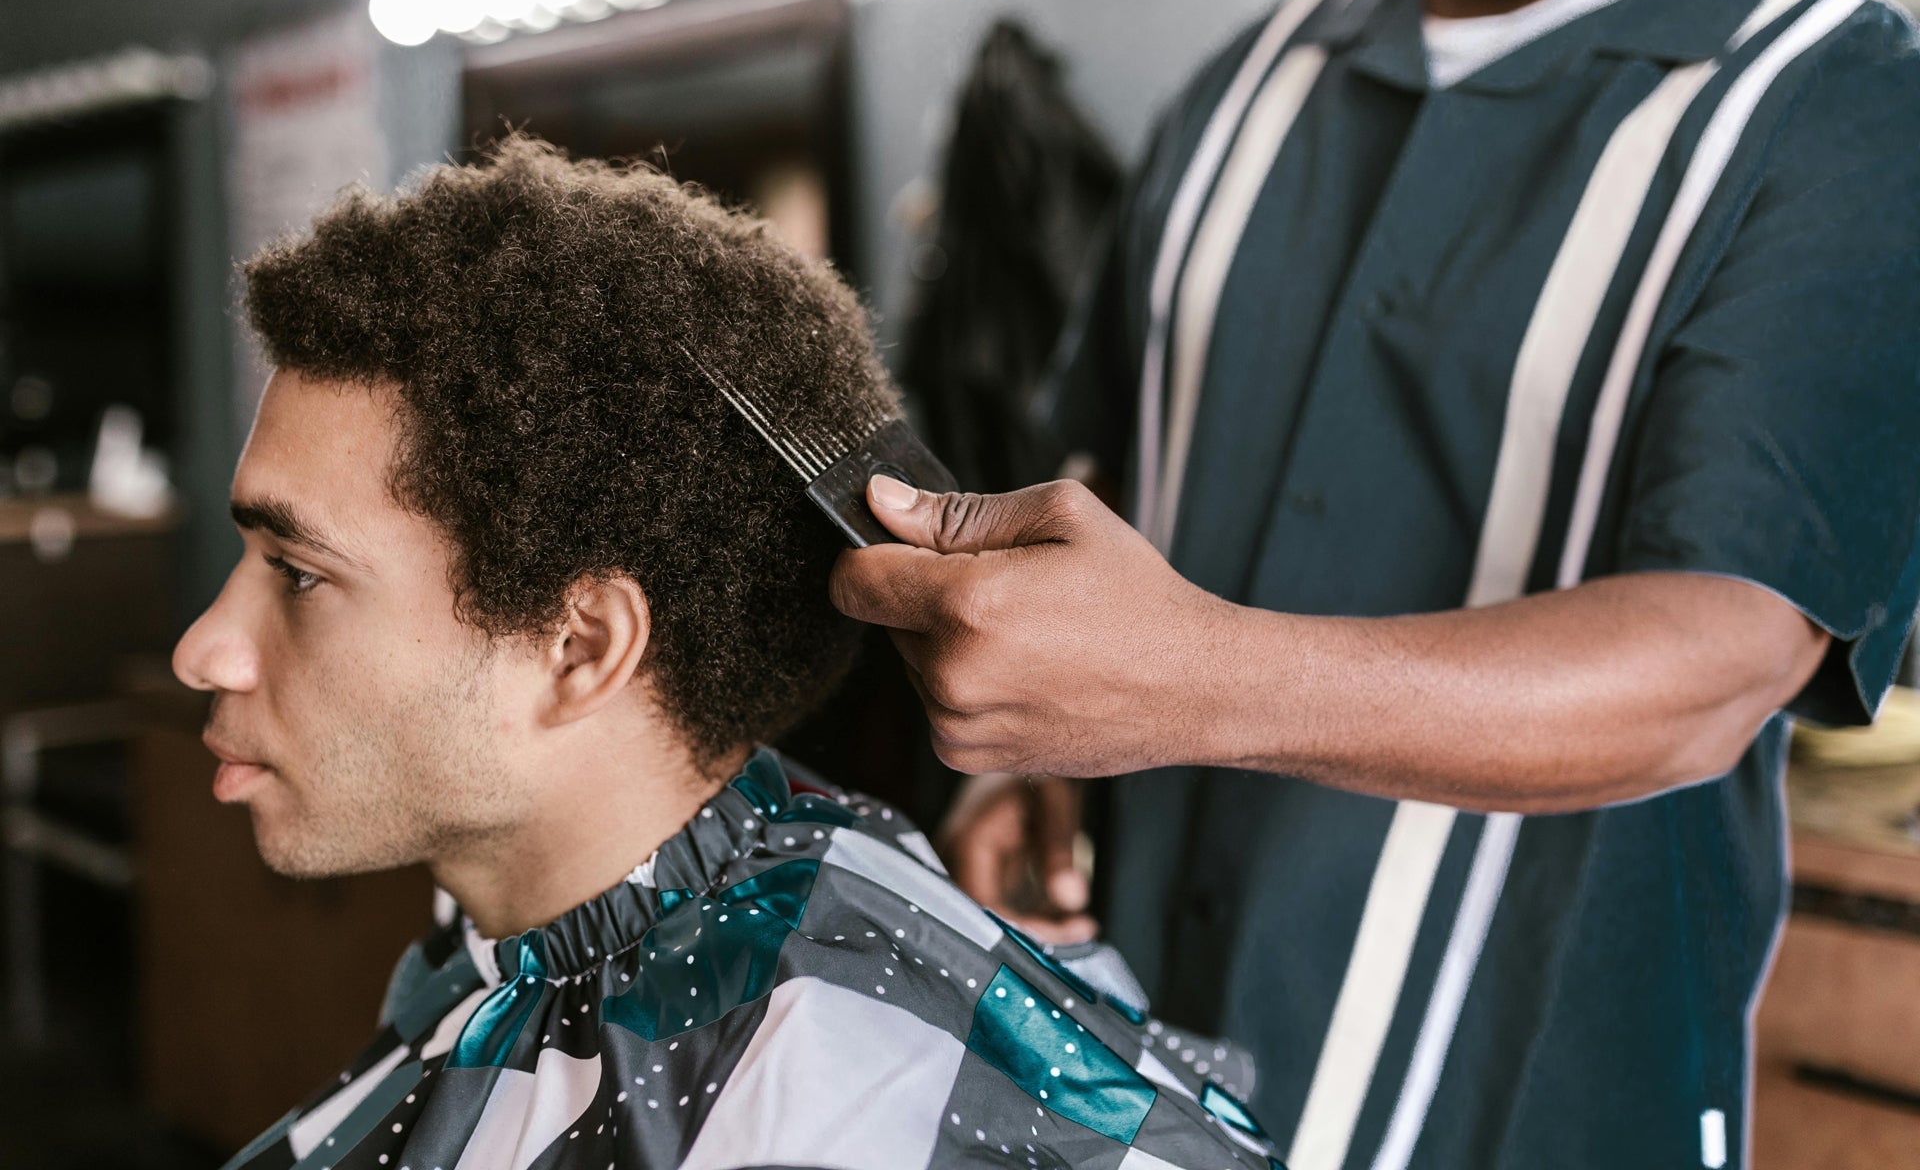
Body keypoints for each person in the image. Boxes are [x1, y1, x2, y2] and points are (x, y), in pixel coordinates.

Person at [829, 0, 1920, 1168]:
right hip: (1137, 1059)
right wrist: (1036, 763)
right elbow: (1119, 455)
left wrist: (1187, 681)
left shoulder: (1839, 103)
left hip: (1523, 1097)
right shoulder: (1249, 74)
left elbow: (1716, 662)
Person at [172, 139, 1273, 1170]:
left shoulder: (840, 1079)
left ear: (580, 648)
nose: (202, 650)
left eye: (298, 572)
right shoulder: (495, 943)